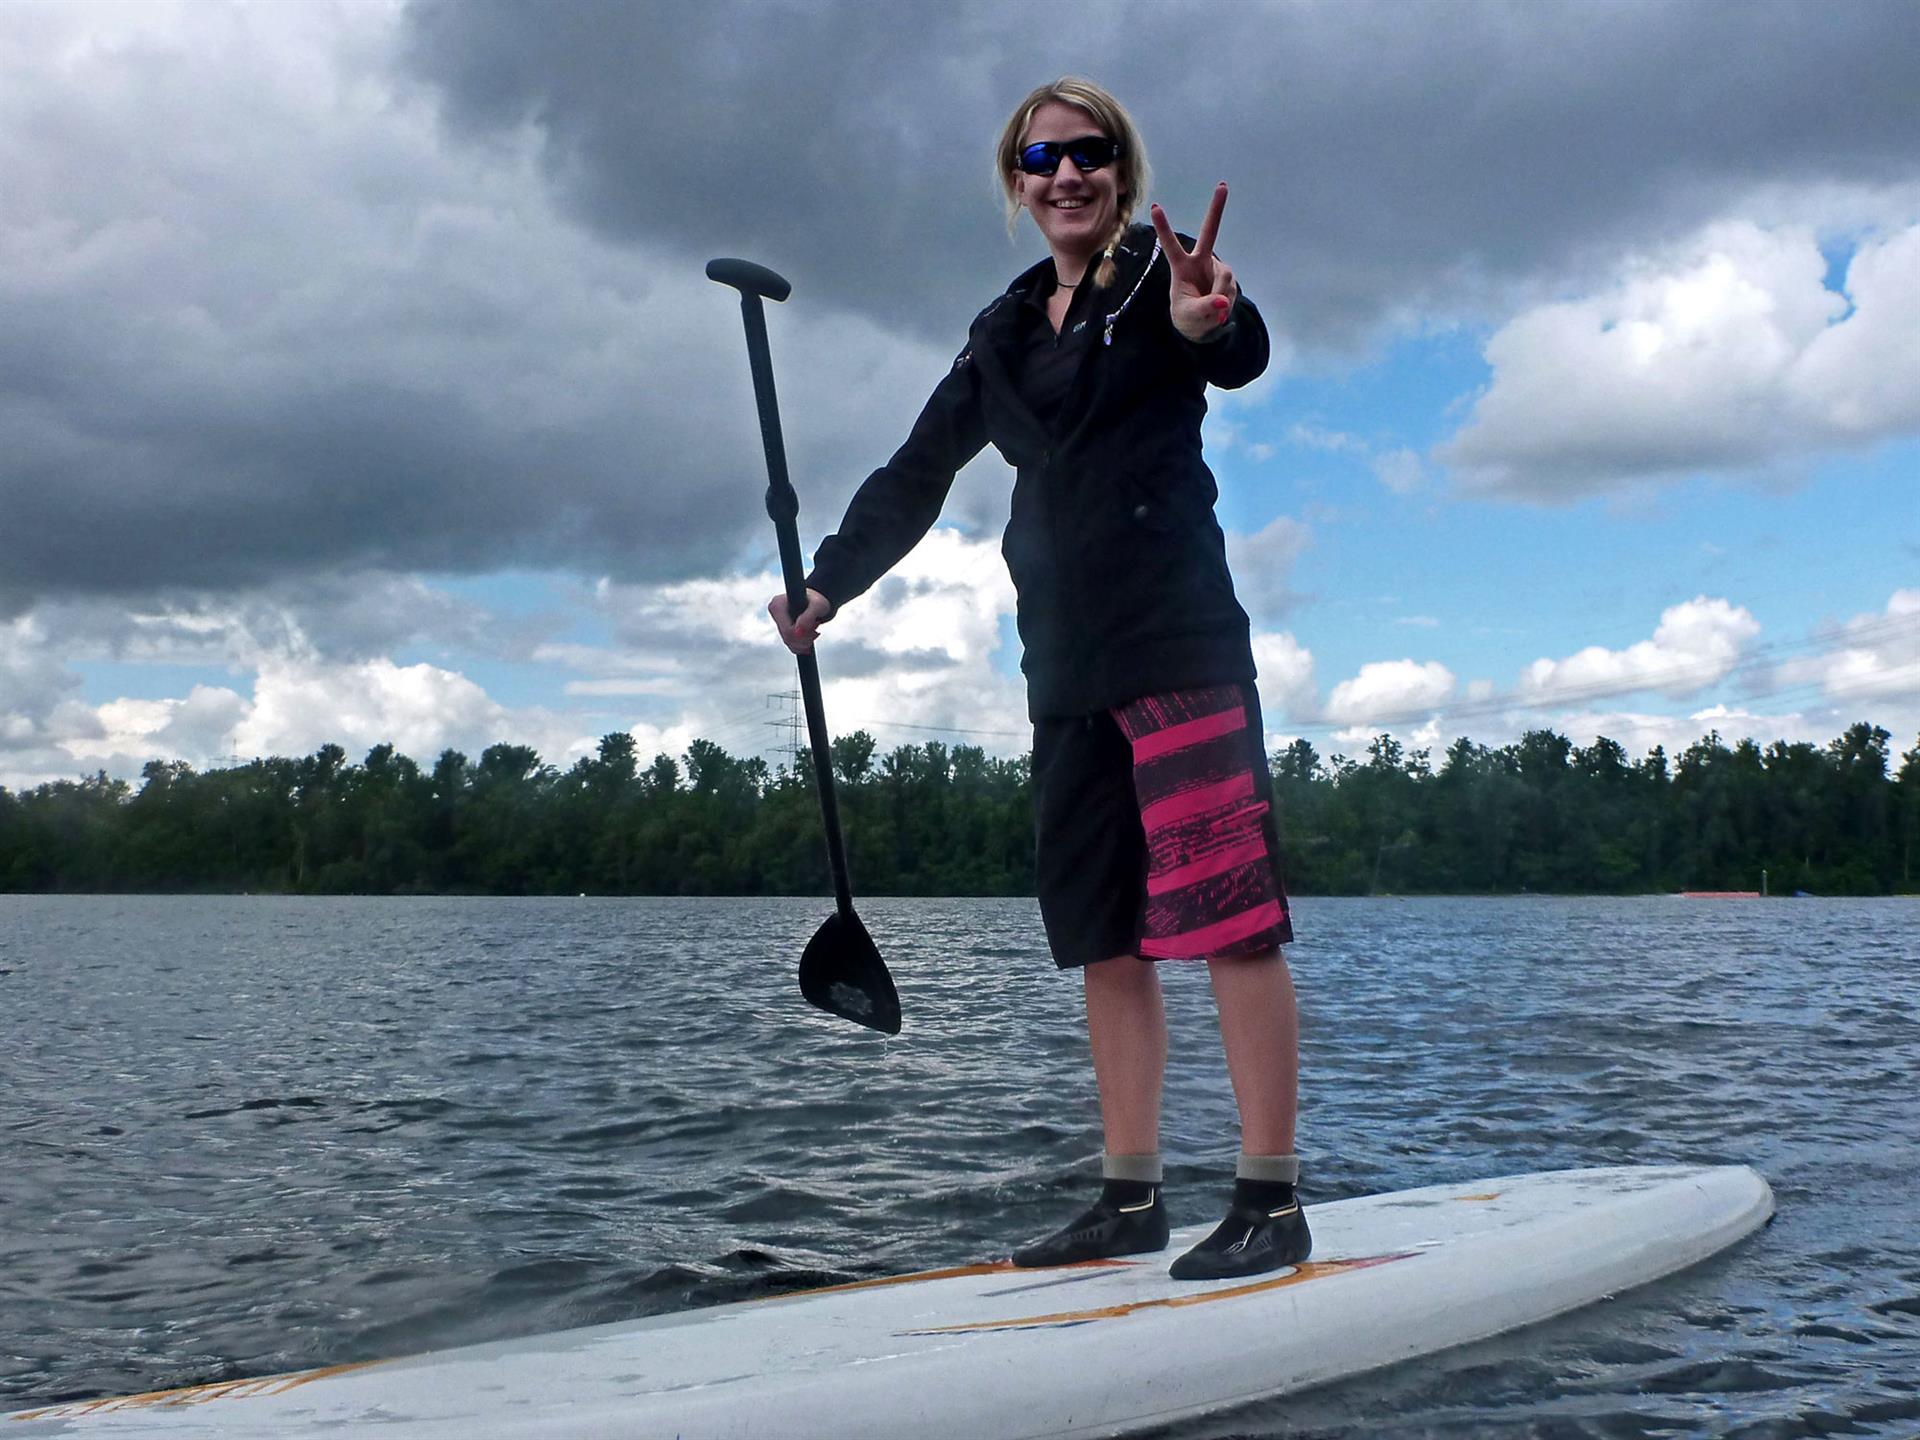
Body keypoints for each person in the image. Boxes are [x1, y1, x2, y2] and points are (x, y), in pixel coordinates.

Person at [769, 76, 1307, 1281]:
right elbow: (919, 469)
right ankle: (1130, 1198)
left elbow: (1231, 341)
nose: (1066, 175)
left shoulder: (1162, 285)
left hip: (1176, 648)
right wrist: (829, 585)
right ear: (1016, 183)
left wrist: (1216, 319)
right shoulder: (1003, 333)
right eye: (1041, 157)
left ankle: (1270, 1200)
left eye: (1090, 153)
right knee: (1102, 936)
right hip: (1062, 669)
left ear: (1121, 168)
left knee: (1230, 924)